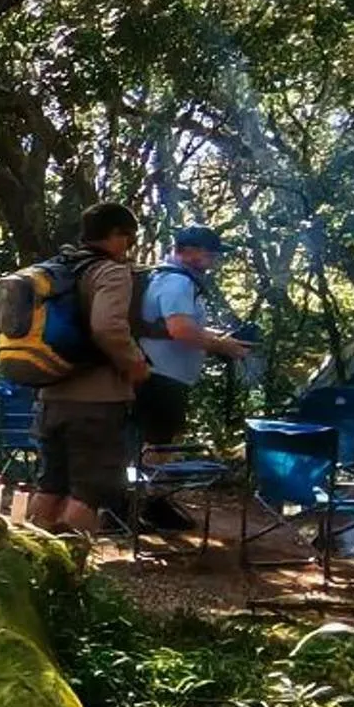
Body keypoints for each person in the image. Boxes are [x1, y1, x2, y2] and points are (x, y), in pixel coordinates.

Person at [31, 202, 147, 536]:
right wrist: (134, 363)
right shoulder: (109, 271)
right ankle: (69, 578)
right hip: (97, 402)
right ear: (115, 235)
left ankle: (28, 566)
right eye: (129, 238)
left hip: (50, 396)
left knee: (51, 485)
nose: (129, 247)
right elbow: (108, 326)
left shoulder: (51, 269)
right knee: (88, 492)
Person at [134, 224, 257, 452]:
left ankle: (144, 486)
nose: (215, 260)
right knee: (157, 450)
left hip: (159, 375)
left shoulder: (166, 278)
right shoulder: (177, 282)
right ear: (188, 251)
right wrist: (222, 347)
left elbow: (176, 326)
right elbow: (180, 330)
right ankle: (148, 488)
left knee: (154, 445)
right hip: (161, 377)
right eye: (210, 254)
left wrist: (218, 336)